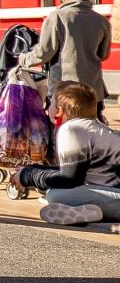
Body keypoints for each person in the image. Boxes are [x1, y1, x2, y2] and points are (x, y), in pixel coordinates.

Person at [12, 82, 120, 225]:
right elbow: (74, 171)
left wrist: (28, 176)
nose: (47, 107)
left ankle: (96, 212)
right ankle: (90, 212)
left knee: (56, 195)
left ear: (59, 110)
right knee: (56, 191)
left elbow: (69, 178)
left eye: (50, 103)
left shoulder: (72, 129)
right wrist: (30, 170)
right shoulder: (91, 128)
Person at [20, 0, 111, 111]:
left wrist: (24, 60)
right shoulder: (102, 21)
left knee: (62, 131)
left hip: (64, 92)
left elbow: (44, 53)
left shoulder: (57, 17)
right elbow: (103, 55)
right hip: (93, 93)